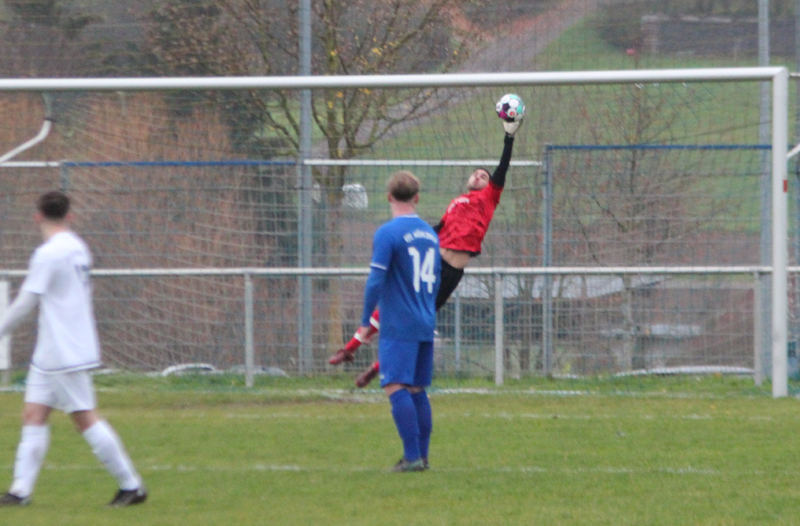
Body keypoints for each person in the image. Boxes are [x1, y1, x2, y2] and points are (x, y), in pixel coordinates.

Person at [330, 115, 523, 387]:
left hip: (450, 272)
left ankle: (377, 368)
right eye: (476, 173)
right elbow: (435, 230)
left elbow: (502, 169)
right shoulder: (456, 203)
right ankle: (350, 347)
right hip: (430, 267)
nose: (480, 176)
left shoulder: (488, 197)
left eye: (484, 175)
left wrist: (509, 136)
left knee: (415, 325)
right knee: (392, 306)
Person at [0, 191, 147, 507]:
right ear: (69, 215)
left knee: (85, 420)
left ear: (37, 216)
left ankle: (131, 485)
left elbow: (27, 302)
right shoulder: (78, 247)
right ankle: (20, 492)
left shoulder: (49, 253)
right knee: (33, 415)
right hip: (52, 351)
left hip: (63, 351)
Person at [360, 171, 440, 472]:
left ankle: (412, 457)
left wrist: (365, 321)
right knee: (417, 388)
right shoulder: (430, 235)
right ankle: (423, 455)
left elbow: (374, 281)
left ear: (389, 197)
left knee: (395, 385)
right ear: (417, 198)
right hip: (424, 320)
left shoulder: (388, 233)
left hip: (399, 324)